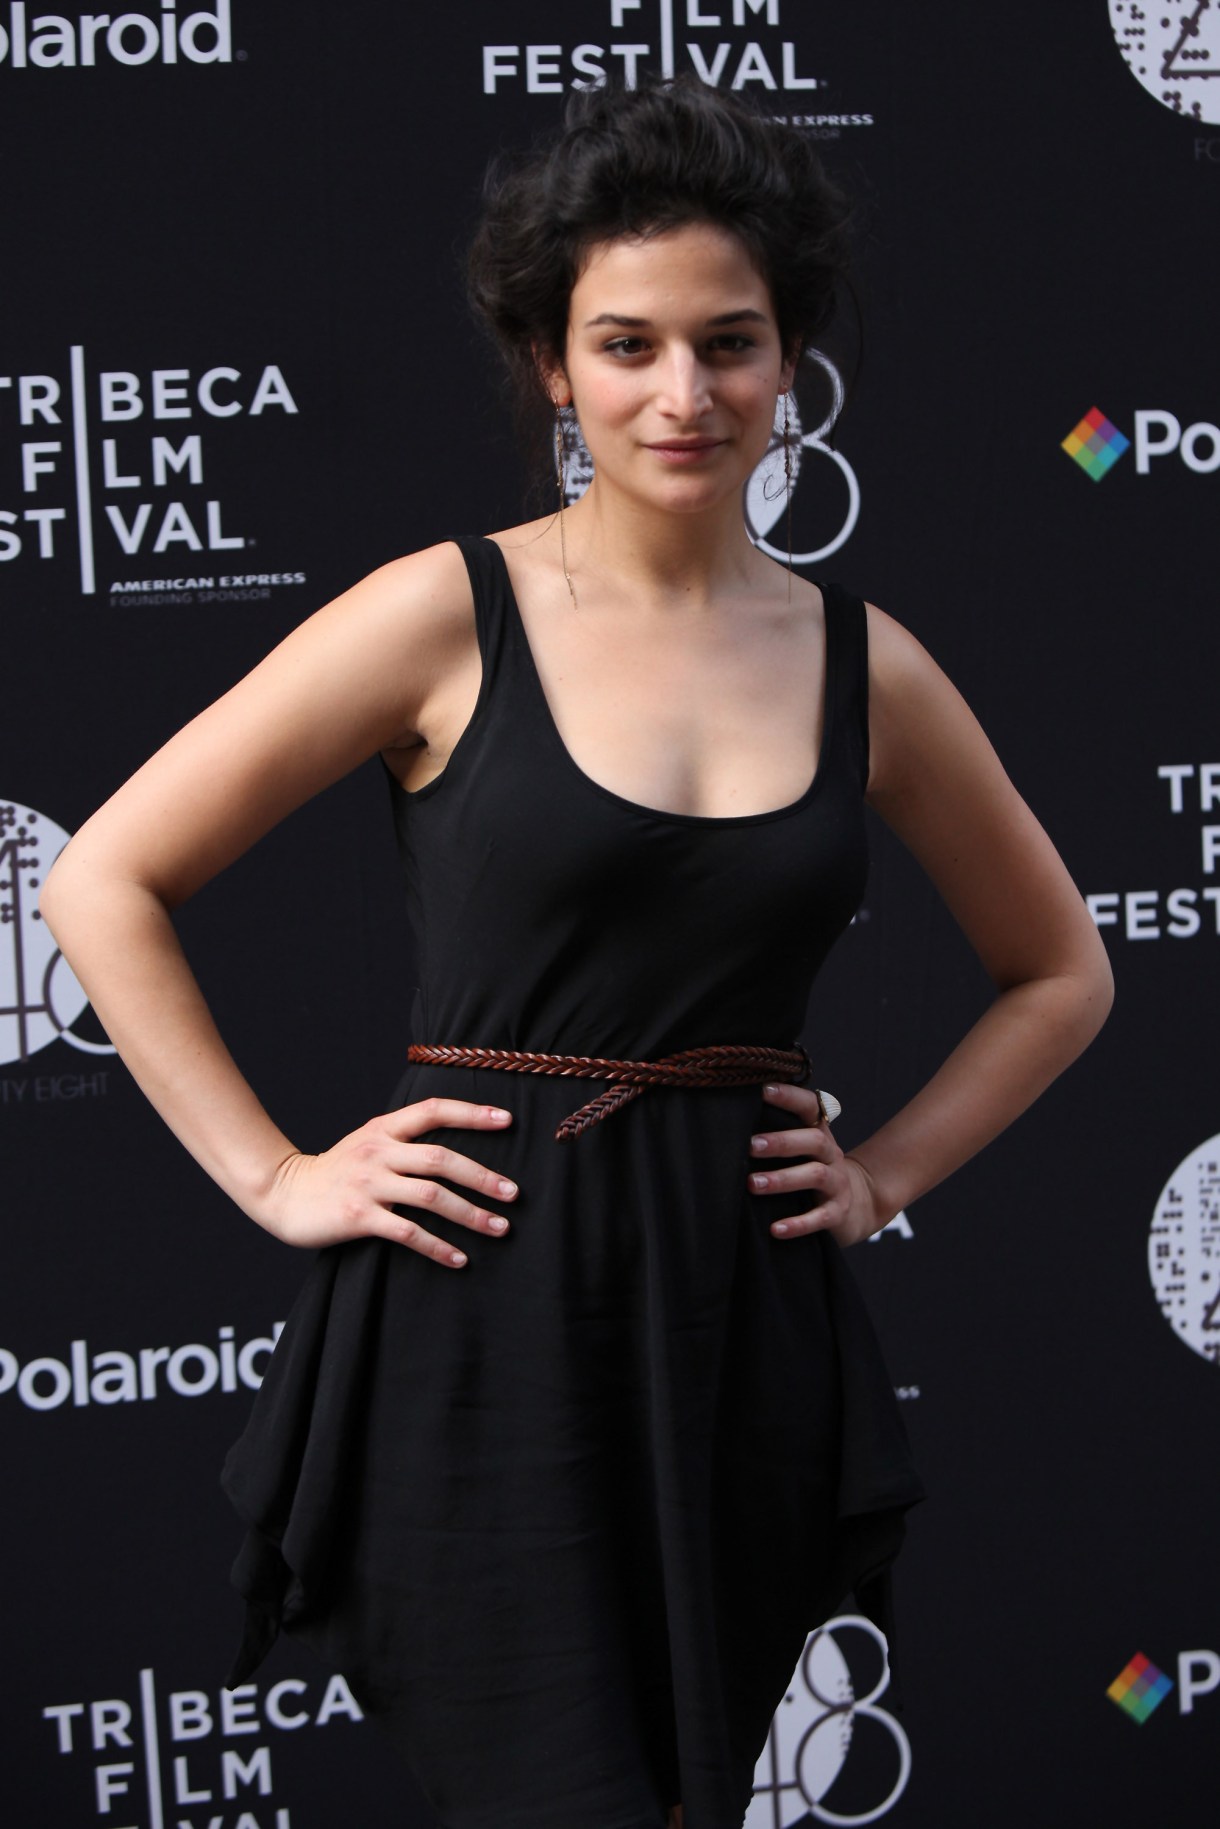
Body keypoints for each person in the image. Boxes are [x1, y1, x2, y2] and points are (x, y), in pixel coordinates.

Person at [40, 78, 1112, 1829]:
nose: (682, 395)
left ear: (790, 363)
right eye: (626, 344)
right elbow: (106, 881)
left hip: (737, 1323)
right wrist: (277, 1172)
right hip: (482, 1306)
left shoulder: (871, 664)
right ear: (552, 363)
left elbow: (1064, 971)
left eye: (730, 342)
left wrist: (884, 1169)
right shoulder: (441, 612)